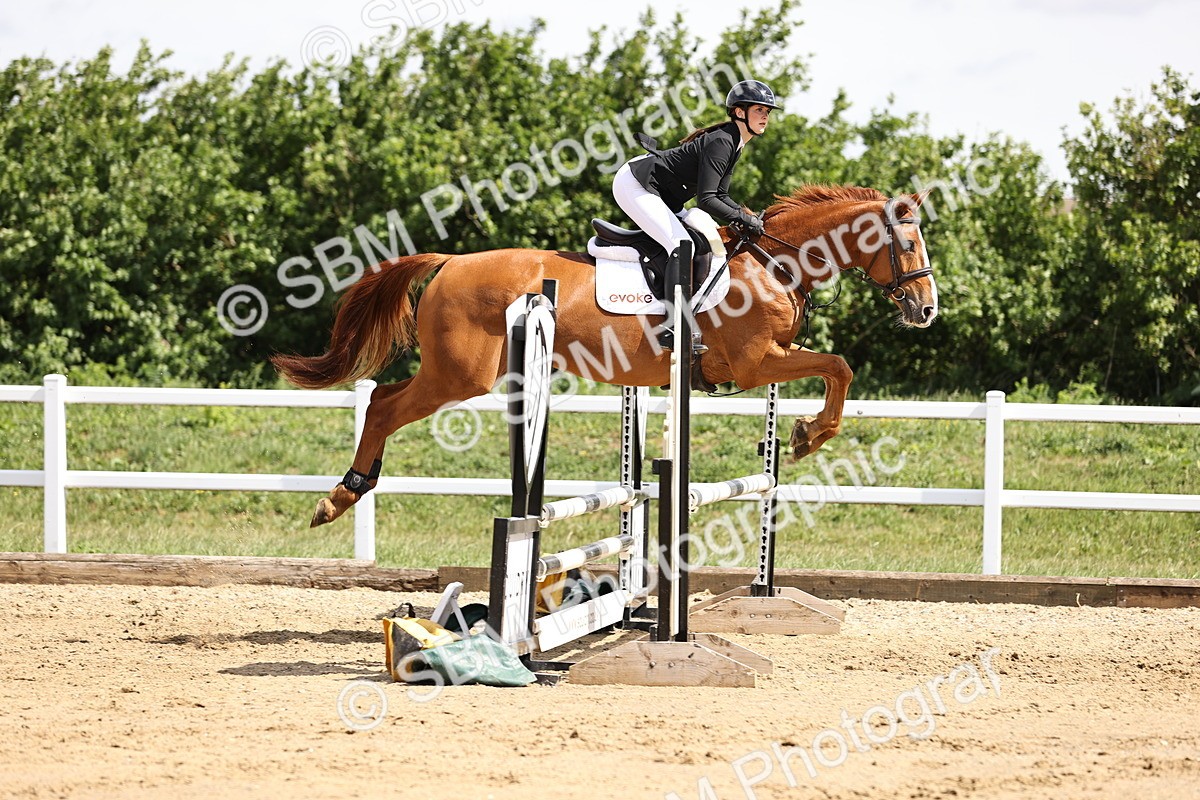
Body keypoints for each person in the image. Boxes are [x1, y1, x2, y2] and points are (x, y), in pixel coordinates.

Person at [612, 79, 780, 353]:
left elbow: (721, 196)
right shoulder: (723, 141)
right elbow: (707, 199)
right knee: (681, 245)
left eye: (768, 112)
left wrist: (744, 215)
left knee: (703, 240)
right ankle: (671, 326)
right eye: (759, 110)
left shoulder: (735, 142)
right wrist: (742, 217)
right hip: (636, 183)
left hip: (665, 194)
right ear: (739, 112)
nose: (765, 116)